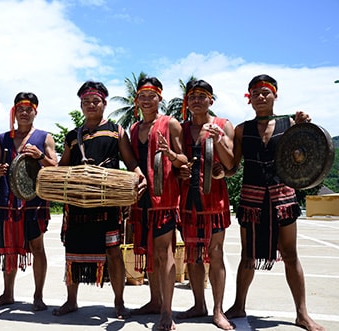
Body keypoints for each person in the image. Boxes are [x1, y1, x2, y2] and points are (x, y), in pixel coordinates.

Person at [224, 74, 325, 331]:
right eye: (255, 93)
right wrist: (217, 166)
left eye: (265, 93)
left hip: (283, 199)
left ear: (275, 96)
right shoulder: (240, 130)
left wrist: (304, 127)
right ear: (249, 99)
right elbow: (233, 168)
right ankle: (238, 305)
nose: (260, 97)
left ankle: (302, 314)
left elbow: (306, 153)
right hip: (251, 200)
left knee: (291, 255)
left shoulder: (290, 124)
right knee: (247, 256)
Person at [52, 81, 146, 319]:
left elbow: (131, 161)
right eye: (86, 102)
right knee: (71, 253)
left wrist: (140, 176)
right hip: (77, 203)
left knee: (113, 253)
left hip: (107, 202)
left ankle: (119, 302)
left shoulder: (116, 130)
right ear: (81, 105)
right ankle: (71, 301)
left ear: (104, 103)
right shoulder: (73, 136)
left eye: (96, 101)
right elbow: (62, 167)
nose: (91, 105)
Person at [175, 79, 235, 330]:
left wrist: (218, 139)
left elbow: (231, 165)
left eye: (202, 96)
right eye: (192, 96)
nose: (197, 100)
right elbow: (174, 165)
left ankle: (218, 310)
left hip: (215, 200)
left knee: (216, 255)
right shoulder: (181, 128)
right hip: (188, 201)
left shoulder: (224, 124)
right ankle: (199, 304)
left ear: (211, 99)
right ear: (187, 102)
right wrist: (180, 172)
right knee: (193, 256)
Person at [129, 76, 187, 331]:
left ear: (160, 98)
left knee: (165, 254)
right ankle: (154, 301)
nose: (146, 100)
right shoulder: (133, 129)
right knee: (149, 251)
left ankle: (167, 312)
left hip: (164, 199)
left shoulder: (171, 124)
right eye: (142, 95)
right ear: (137, 99)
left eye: (151, 95)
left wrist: (171, 154)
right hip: (140, 199)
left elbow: (184, 159)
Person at [0, 92, 57, 310]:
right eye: (21, 109)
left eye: (29, 109)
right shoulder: (3, 138)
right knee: (8, 248)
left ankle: (38, 296)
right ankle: (7, 293)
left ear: (35, 112)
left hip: (34, 200)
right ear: (15, 112)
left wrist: (39, 156)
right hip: (7, 200)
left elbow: (55, 168)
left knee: (37, 247)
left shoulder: (44, 138)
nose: (25, 113)